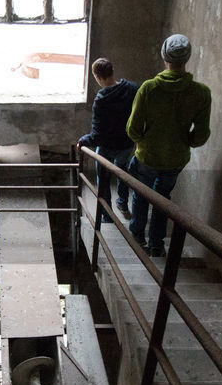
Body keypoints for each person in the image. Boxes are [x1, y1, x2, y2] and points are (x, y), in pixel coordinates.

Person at [125, 34, 212, 256]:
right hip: (175, 158)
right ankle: (156, 243)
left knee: (141, 195)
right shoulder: (201, 93)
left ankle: (137, 235)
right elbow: (200, 135)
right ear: (187, 57)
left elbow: (132, 129)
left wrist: (144, 140)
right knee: (163, 199)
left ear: (165, 56)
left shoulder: (149, 88)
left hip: (147, 155)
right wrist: (185, 141)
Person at [77, 57, 137, 223]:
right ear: (112, 71)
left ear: (97, 77)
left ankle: (106, 215)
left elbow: (97, 136)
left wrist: (82, 141)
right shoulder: (132, 89)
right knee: (123, 171)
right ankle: (123, 203)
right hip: (127, 144)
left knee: (103, 179)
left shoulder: (101, 101)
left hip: (108, 147)